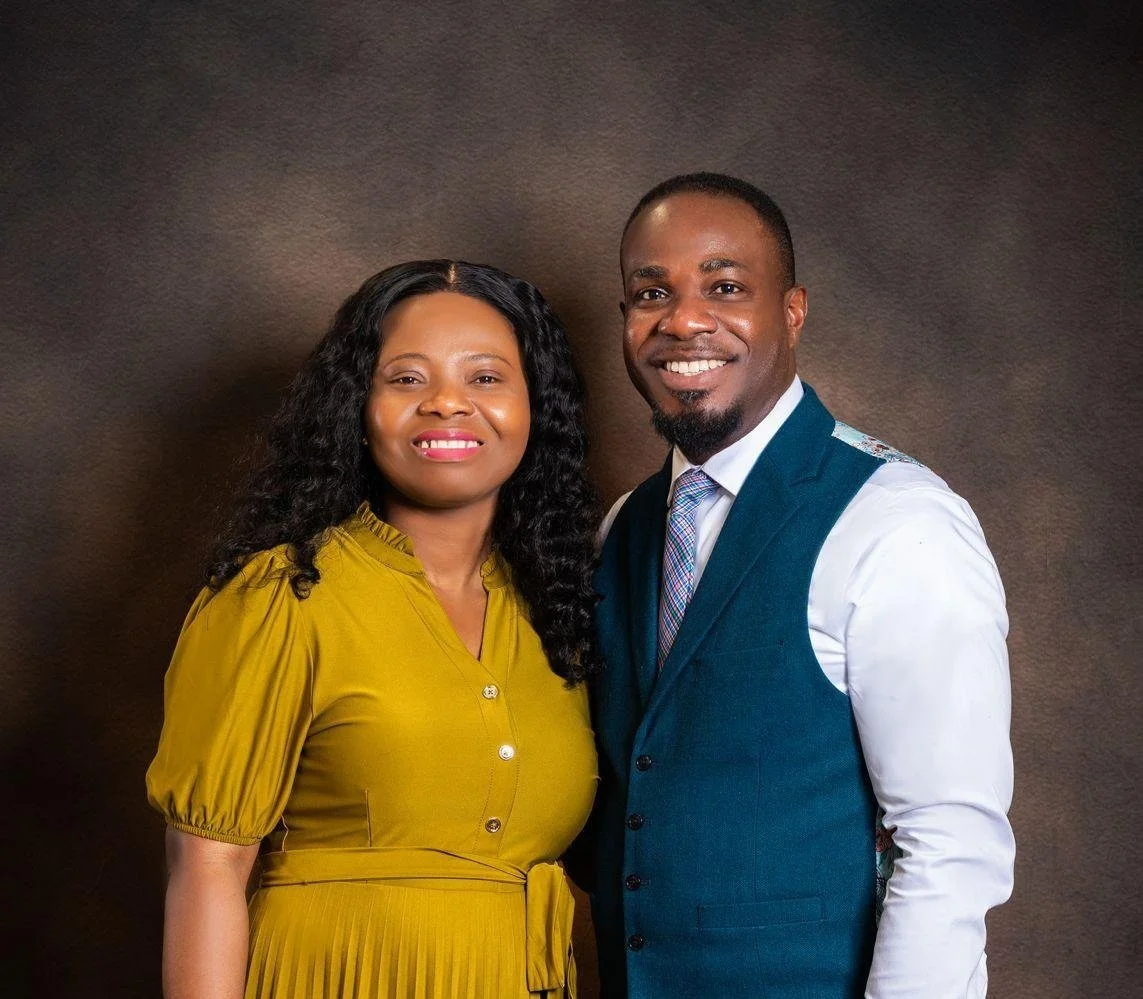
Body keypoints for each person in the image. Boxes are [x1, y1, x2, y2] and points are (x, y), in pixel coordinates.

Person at [582, 173, 1014, 998]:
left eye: (725, 286)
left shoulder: (896, 519)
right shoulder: (624, 526)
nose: (683, 319)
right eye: (650, 293)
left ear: (791, 311)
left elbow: (948, 840)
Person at [146, 260, 601, 999]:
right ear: (357, 405)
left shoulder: (561, 612)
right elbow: (209, 866)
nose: (448, 404)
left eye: (485, 378)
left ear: (535, 406)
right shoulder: (283, 594)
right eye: (406, 378)